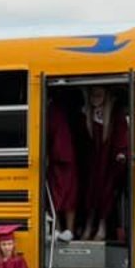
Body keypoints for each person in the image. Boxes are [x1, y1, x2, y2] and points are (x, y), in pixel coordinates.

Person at [79, 85, 128, 242]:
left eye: (99, 95)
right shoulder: (85, 113)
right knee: (89, 193)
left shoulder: (115, 114)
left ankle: (102, 227)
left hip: (108, 159)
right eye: (93, 95)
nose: (95, 98)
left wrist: (121, 153)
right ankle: (88, 225)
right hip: (91, 160)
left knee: (105, 193)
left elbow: (121, 135)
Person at [46, 96, 78, 241]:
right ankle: (57, 228)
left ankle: (68, 230)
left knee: (67, 194)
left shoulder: (56, 111)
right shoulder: (50, 110)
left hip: (64, 157)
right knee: (54, 195)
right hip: (55, 158)